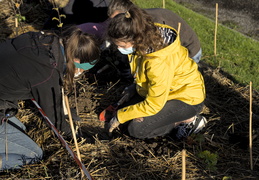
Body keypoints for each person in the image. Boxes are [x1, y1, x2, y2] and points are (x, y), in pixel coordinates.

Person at [0, 26, 100, 170]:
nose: (81, 73)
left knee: (21, 128)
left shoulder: (45, 41)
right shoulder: (46, 72)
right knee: (33, 154)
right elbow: (56, 119)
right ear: (75, 60)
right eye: (83, 69)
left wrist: (68, 111)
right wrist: (78, 137)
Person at [105, 5, 207, 140]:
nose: (118, 49)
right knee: (125, 116)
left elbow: (153, 105)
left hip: (185, 98)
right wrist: (134, 88)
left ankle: (189, 121)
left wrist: (120, 116)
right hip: (164, 92)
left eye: (122, 46)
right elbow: (146, 77)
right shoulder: (145, 39)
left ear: (135, 40)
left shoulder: (158, 61)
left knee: (136, 129)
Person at [107, 0, 202, 63]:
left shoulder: (155, 27)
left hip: (189, 52)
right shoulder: (137, 24)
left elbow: (161, 67)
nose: (117, 25)